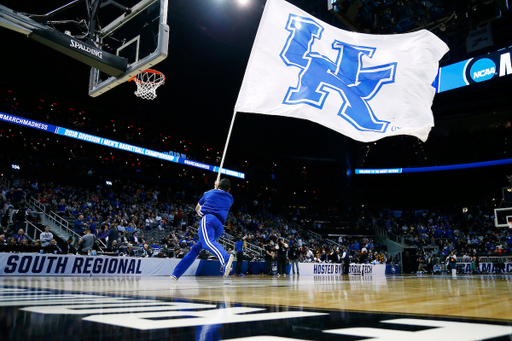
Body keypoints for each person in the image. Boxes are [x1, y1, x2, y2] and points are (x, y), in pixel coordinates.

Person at [171, 179, 235, 280]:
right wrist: (217, 188)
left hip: (209, 220)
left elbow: (197, 208)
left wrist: (202, 213)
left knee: (207, 243)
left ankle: (226, 258)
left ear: (218, 186)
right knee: (196, 249)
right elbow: (220, 196)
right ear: (229, 190)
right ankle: (176, 273)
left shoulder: (208, 193)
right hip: (219, 227)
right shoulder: (230, 198)